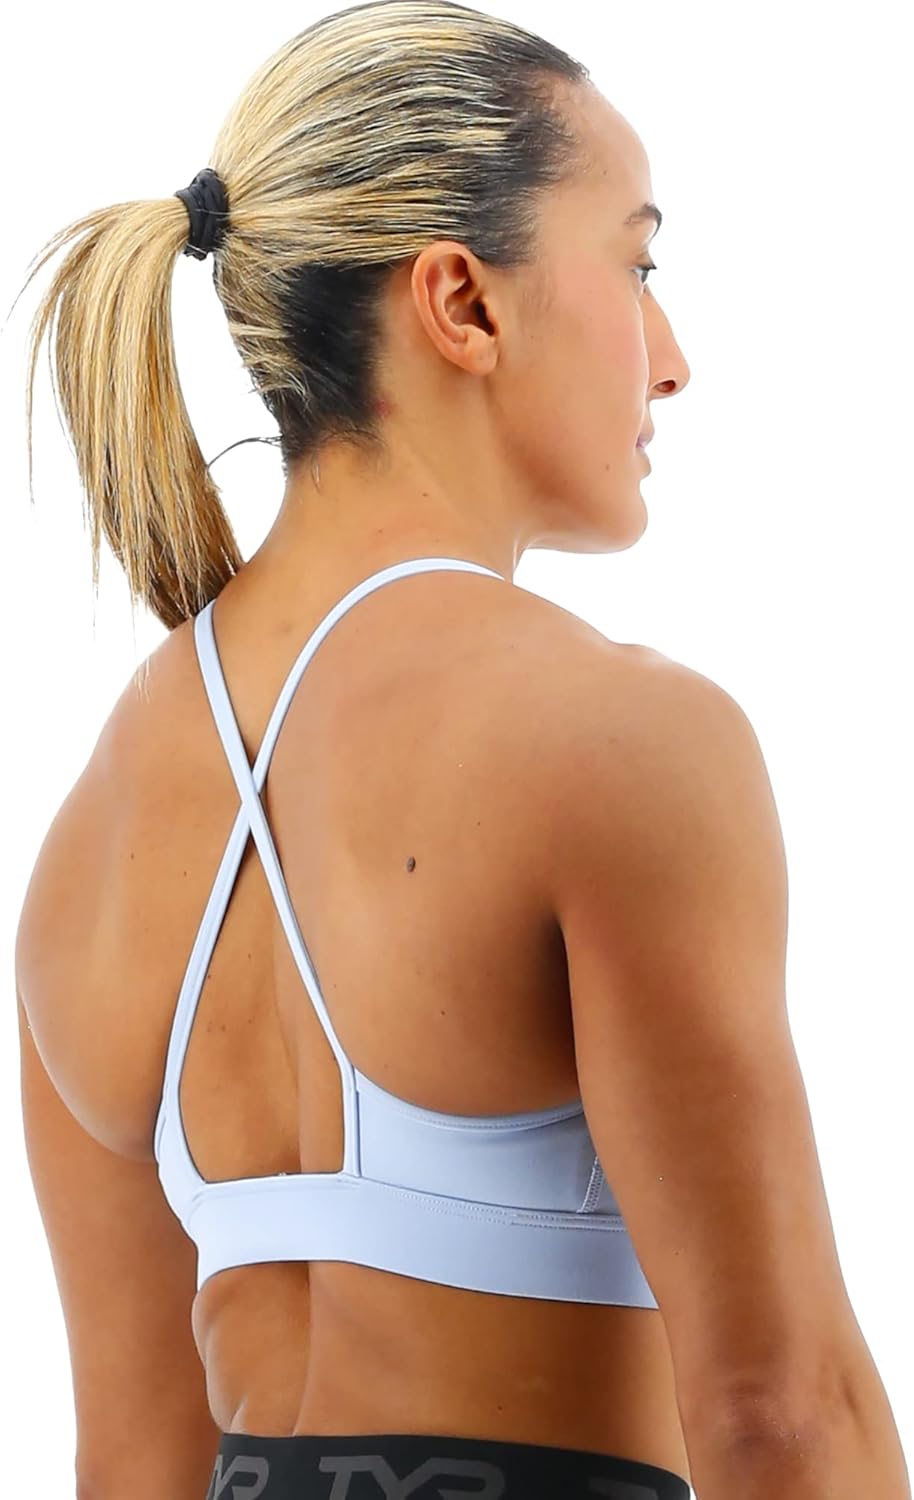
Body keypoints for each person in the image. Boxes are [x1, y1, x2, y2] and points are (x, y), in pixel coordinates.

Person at [13, 3, 910, 1499]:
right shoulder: (616, 738)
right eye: (637, 265)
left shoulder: (93, 832)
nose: (672, 360)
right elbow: (782, 1416)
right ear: (463, 302)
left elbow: (132, 1466)